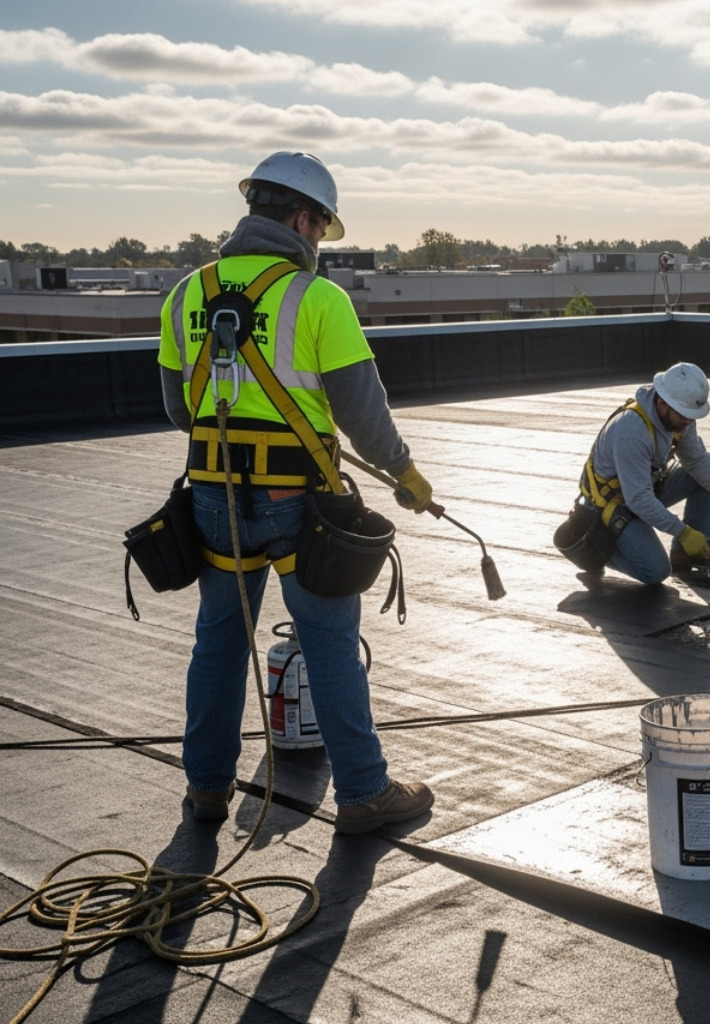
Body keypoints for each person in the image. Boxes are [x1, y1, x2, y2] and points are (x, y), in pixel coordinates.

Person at [158, 151, 435, 833]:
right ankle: (365, 792)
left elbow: (177, 410)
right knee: (330, 644)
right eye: (319, 228)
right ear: (303, 218)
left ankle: (205, 791)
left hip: (213, 497)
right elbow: (362, 415)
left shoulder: (186, 293)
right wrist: (402, 472)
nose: (317, 243)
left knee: (220, 644)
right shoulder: (318, 300)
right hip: (298, 506)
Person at [570, 362, 710, 584]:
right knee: (655, 572)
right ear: (663, 403)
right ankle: (595, 548)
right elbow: (638, 499)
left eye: (692, 416)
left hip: (644, 488)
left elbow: (696, 459)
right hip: (612, 506)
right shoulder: (631, 431)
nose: (688, 422)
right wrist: (683, 532)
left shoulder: (681, 416)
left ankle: (686, 555)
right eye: (684, 415)